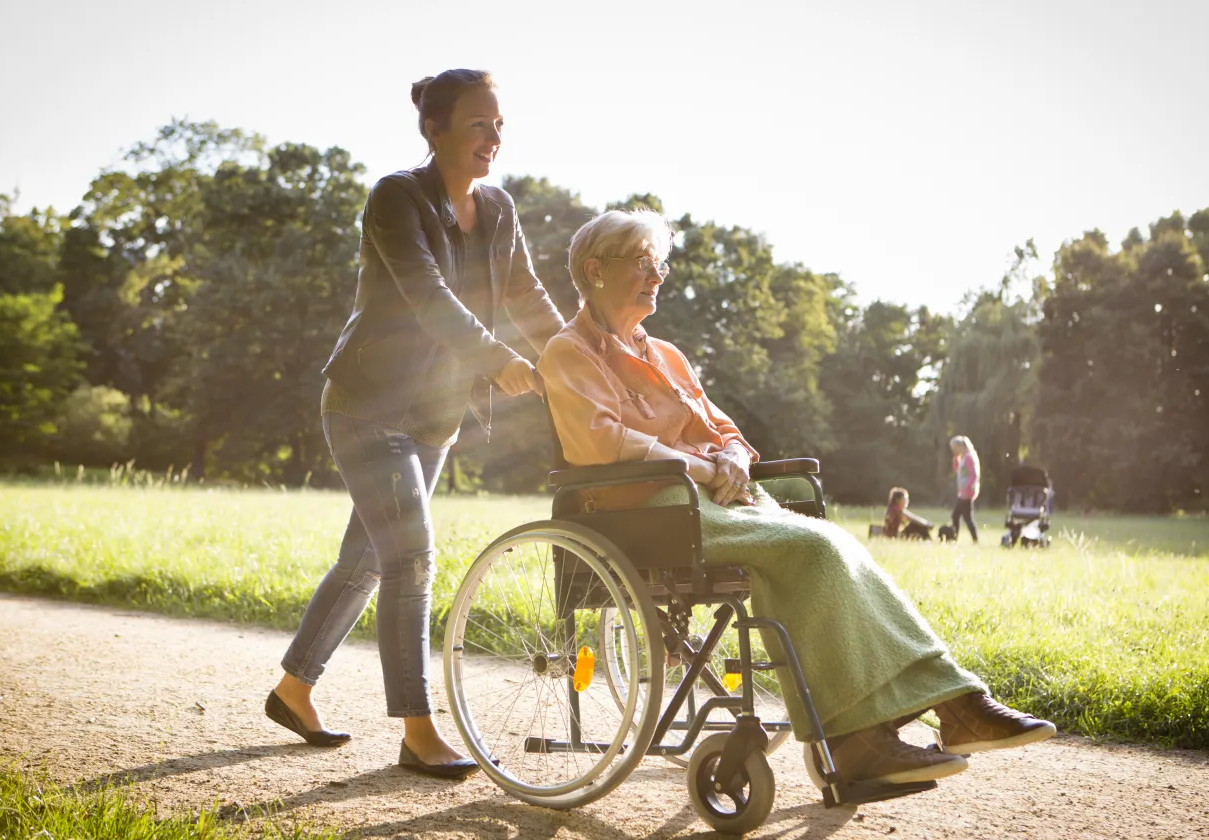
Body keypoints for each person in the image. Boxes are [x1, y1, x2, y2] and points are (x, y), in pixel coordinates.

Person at [538, 210, 1054, 786]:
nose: (658, 275)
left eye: (660, 263)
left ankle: (950, 704)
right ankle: (866, 738)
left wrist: (733, 456)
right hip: (645, 509)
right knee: (812, 548)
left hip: (711, 496)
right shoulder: (567, 352)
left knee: (831, 542)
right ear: (595, 270)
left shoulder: (667, 355)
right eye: (643, 262)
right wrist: (704, 467)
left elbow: (723, 429)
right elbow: (601, 442)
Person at [267, 69, 564, 779]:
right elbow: (427, 295)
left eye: (499, 125)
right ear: (435, 129)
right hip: (367, 405)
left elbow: (527, 295)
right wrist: (497, 358)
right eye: (478, 124)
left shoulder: (499, 210)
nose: (493, 138)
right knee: (411, 560)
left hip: (434, 415)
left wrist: (580, 359)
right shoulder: (396, 198)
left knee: (366, 560)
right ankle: (418, 730)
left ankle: (292, 691)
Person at [950, 435, 981, 543]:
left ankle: (974, 540)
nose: (954, 451)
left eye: (955, 448)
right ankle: (954, 538)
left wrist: (967, 489)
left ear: (961, 446)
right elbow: (959, 471)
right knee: (956, 516)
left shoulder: (969, 457)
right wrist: (956, 460)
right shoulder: (964, 457)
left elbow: (974, 475)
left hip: (966, 492)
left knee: (967, 517)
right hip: (962, 491)